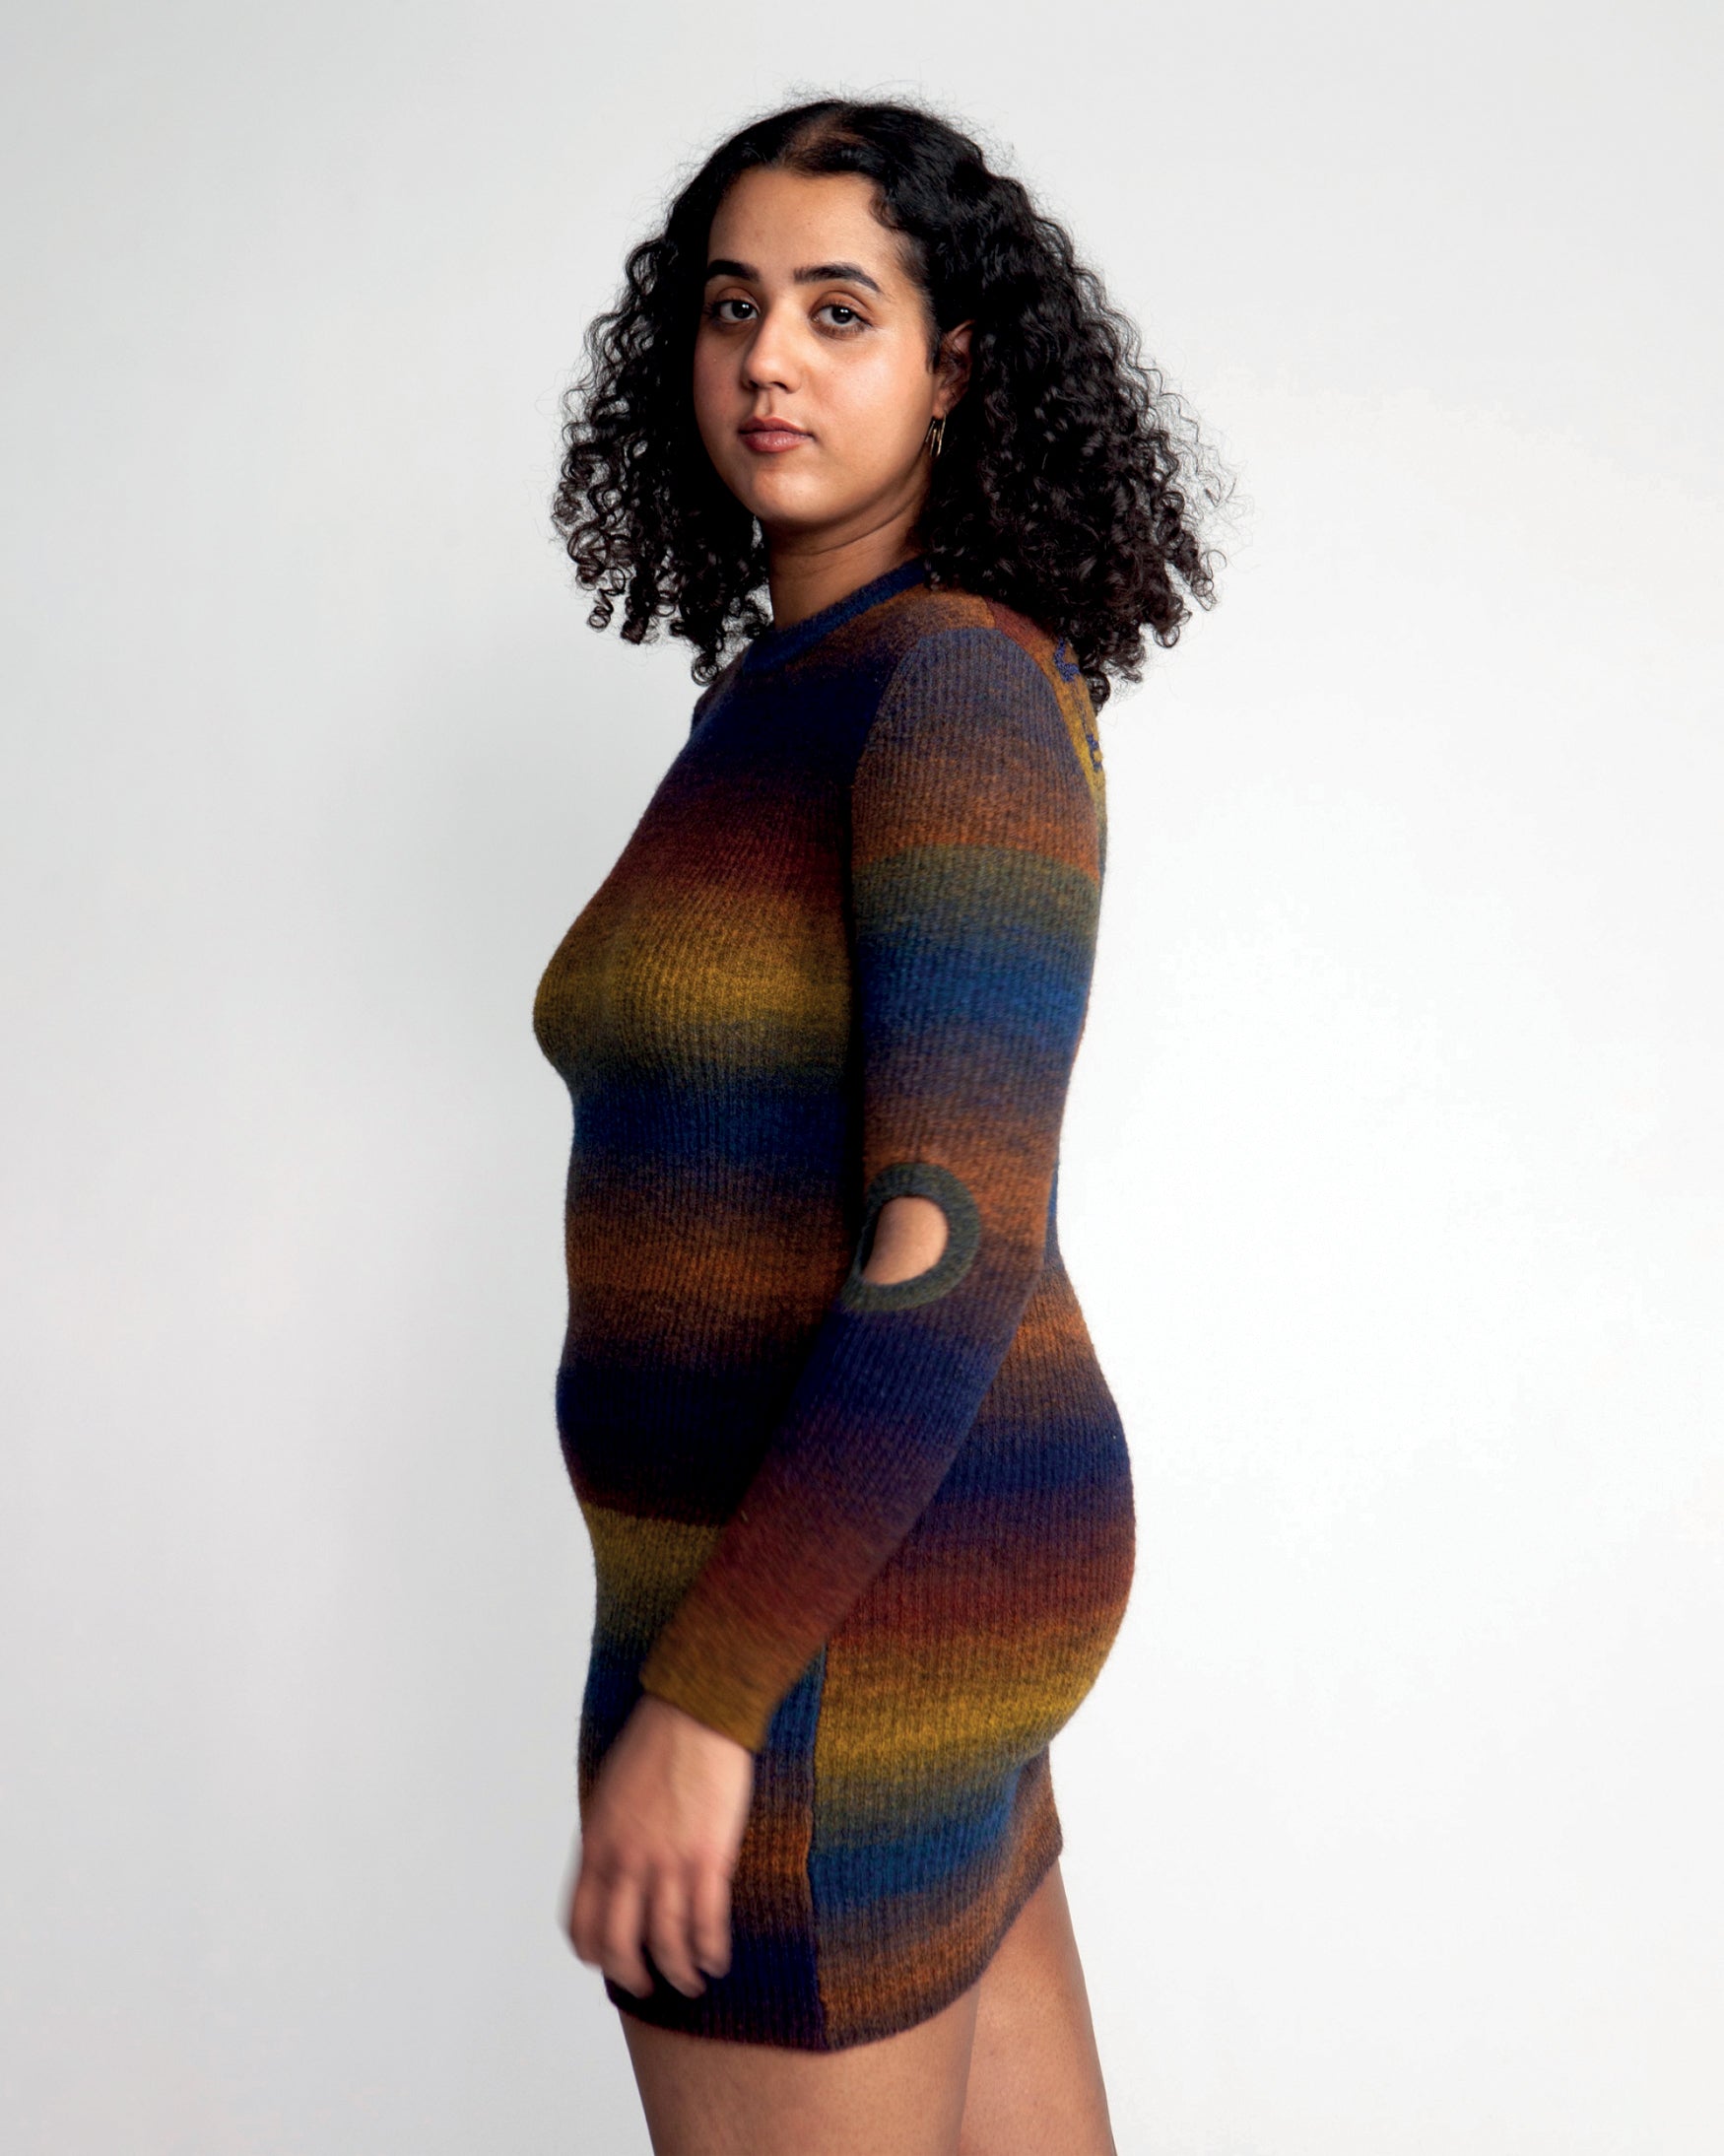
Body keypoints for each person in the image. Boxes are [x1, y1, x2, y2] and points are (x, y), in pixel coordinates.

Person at [533, 95, 1226, 2156]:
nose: (770, 358)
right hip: (878, 1573)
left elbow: (950, 1241)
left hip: (828, 1603)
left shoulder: (949, 692)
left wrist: (709, 1692)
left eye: (840, 311)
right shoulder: (789, 690)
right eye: (731, 305)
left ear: (953, 369)